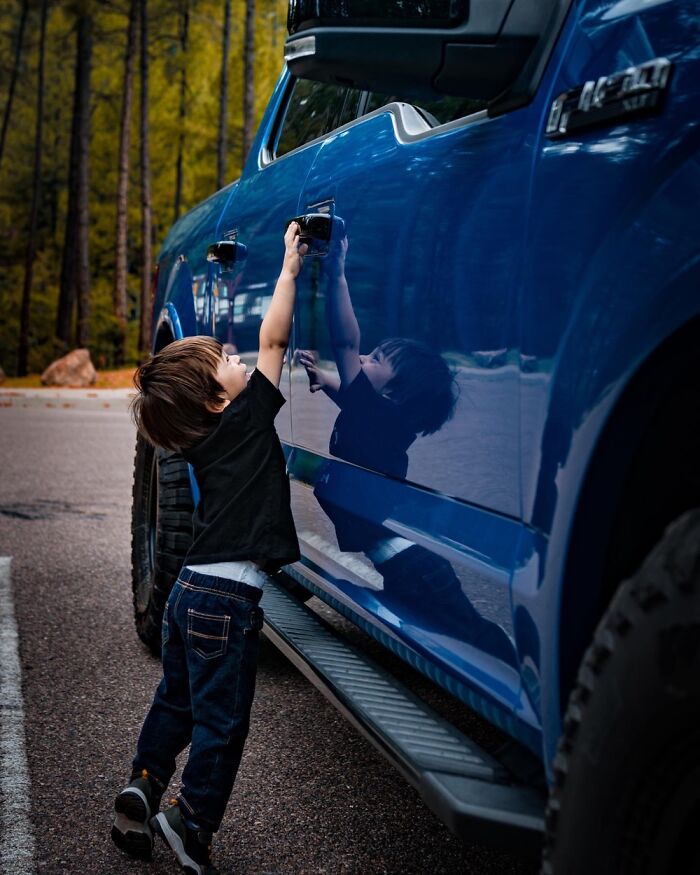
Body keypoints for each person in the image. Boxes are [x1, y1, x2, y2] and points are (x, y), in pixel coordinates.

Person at [111, 223, 306, 874]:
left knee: (178, 697)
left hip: (187, 592)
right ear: (220, 398)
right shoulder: (248, 414)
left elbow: (248, 352)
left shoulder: (200, 439)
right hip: (226, 600)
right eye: (225, 357)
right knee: (223, 723)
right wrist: (288, 269)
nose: (238, 354)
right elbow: (275, 335)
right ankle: (191, 821)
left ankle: (144, 777)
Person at [297, 232, 516, 666]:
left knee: (473, 641)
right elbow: (354, 397)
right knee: (434, 641)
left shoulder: (378, 416)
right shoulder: (381, 418)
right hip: (406, 566)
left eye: (376, 359)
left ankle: (530, 681)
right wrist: (327, 383)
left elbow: (345, 344)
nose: (363, 360)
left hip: (417, 571)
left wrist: (337, 273)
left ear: (392, 398)